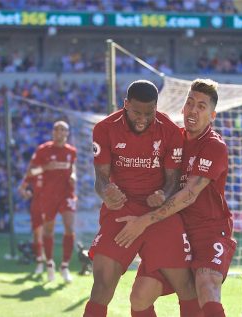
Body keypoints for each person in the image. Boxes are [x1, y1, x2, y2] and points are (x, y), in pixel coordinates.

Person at [114, 79, 236, 317]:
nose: (193, 110)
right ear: (182, 108)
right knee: (139, 296)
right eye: (190, 103)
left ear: (212, 116)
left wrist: (144, 221)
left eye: (201, 106)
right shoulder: (170, 139)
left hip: (208, 230)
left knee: (206, 283)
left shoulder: (214, 146)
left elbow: (189, 195)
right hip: (172, 230)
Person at [83, 80, 199, 317]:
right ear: (125, 104)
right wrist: (107, 192)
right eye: (137, 112)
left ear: (157, 107)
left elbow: (172, 181)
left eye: (149, 113)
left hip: (159, 213)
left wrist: (162, 194)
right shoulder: (104, 129)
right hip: (121, 211)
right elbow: (101, 179)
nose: (142, 118)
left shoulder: (169, 130)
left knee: (185, 285)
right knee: (103, 283)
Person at [19, 121, 77, 282]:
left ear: (67, 133)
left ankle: (64, 266)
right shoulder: (43, 150)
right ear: (53, 132)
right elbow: (31, 172)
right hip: (48, 196)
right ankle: (49, 263)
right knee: (47, 231)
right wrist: (45, 168)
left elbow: (73, 169)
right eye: (57, 129)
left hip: (66, 194)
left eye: (63, 130)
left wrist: (73, 176)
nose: (59, 132)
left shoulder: (71, 152)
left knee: (69, 226)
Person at [18, 171, 45, 273]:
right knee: (37, 235)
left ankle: (42, 260)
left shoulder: (51, 174)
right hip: (36, 209)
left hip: (47, 208)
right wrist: (25, 192)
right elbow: (27, 193)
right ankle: (39, 258)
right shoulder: (34, 176)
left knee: (42, 235)